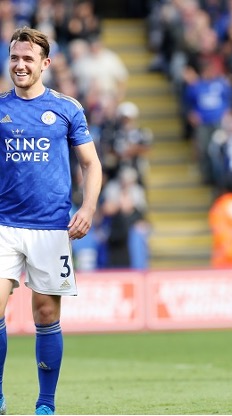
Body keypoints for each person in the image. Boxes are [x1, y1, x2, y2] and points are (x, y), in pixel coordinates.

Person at [0, 26, 102, 415]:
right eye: (14, 58)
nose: (20, 65)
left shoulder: (67, 108)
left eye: (28, 59)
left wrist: (88, 208)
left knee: (45, 315)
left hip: (50, 226)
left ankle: (45, 404)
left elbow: (91, 165)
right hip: (4, 225)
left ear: (45, 63)